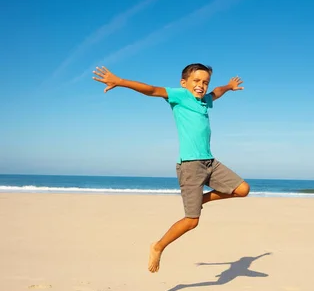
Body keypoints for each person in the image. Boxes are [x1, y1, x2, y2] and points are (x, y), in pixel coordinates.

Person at [92, 64, 250, 273]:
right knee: (192, 221)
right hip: (190, 166)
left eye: (205, 82)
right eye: (196, 81)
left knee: (243, 189)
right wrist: (120, 82)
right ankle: (158, 247)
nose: (201, 86)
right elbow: (151, 90)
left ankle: (201, 200)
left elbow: (216, 93)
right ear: (184, 83)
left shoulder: (205, 101)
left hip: (210, 162)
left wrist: (229, 86)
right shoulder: (179, 96)